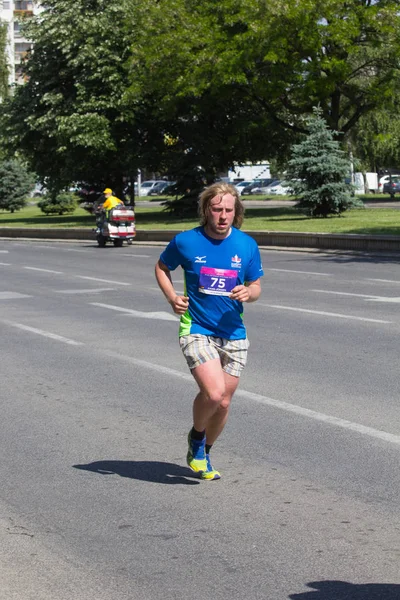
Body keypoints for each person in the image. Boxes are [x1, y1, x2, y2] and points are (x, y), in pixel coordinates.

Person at [155, 182, 263, 480]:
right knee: (214, 394)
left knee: (225, 402)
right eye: (217, 209)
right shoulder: (186, 241)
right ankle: (197, 436)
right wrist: (172, 297)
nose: (223, 215)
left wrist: (248, 293)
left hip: (233, 332)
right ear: (206, 210)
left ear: (236, 211)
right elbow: (162, 267)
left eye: (229, 210)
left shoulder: (246, 245)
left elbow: (256, 286)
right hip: (196, 327)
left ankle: (204, 451)